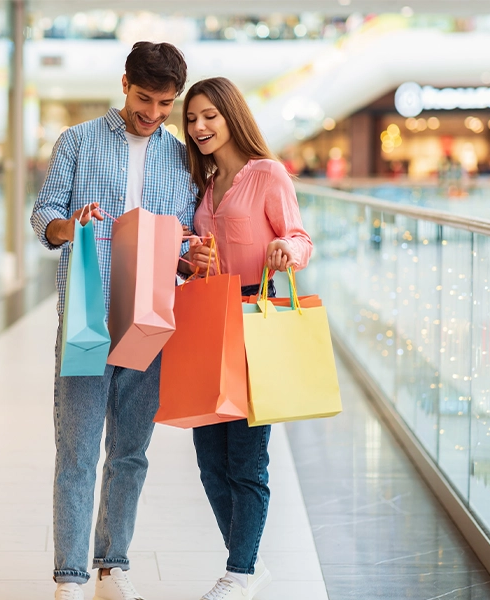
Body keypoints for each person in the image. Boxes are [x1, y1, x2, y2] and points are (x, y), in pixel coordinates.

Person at [30, 42, 195, 600]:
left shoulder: (179, 157)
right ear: (124, 83)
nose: (152, 113)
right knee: (76, 452)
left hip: (150, 320)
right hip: (86, 316)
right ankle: (69, 576)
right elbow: (43, 215)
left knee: (129, 453)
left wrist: (191, 255)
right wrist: (67, 225)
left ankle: (112, 564)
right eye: (144, 98)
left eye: (165, 103)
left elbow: (181, 244)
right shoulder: (76, 141)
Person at [180, 77, 313, 600]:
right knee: (209, 458)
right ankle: (249, 564)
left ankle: (237, 574)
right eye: (191, 119)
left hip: (254, 319)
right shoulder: (206, 183)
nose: (199, 127)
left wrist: (285, 248)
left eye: (209, 115)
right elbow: (197, 253)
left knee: (247, 459)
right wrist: (193, 256)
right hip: (207, 321)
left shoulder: (268, 174)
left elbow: (299, 236)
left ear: (232, 115)